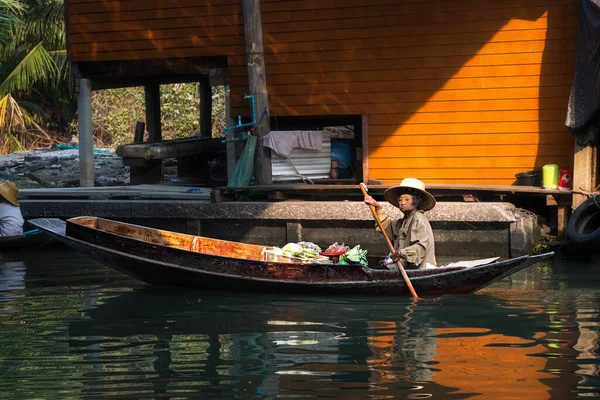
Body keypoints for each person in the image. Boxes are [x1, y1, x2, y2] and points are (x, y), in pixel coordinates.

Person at [364, 178, 437, 269]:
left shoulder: (418, 219)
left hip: (418, 268)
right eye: (400, 199)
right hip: (403, 266)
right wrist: (377, 207)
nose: (402, 203)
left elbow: (420, 248)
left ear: (416, 202)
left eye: (407, 200)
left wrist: (400, 253)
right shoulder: (404, 221)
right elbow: (387, 228)